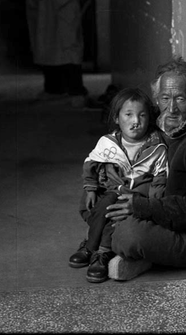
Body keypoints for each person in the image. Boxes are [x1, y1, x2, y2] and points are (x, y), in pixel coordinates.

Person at [104, 56, 186, 281]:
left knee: (127, 234)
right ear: (157, 98)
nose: (172, 107)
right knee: (108, 208)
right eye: (165, 98)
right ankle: (142, 253)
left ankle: (141, 254)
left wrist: (141, 208)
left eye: (181, 98)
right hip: (168, 216)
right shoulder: (166, 124)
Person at [69, 88, 169, 283]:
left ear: (149, 118)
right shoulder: (108, 144)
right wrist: (90, 189)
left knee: (114, 207)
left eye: (142, 115)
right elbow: (91, 164)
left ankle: (100, 252)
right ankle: (93, 246)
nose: (136, 121)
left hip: (137, 197)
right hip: (111, 192)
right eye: (128, 115)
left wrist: (151, 206)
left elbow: (160, 180)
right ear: (116, 118)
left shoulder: (156, 148)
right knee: (103, 202)